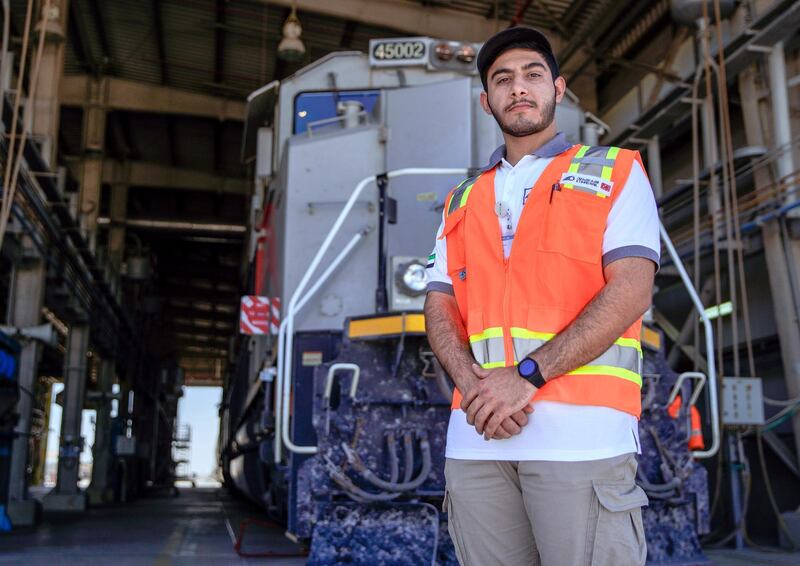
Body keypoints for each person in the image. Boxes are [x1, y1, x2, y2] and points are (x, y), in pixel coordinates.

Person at [424, 26, 659, 566]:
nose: (518, 87)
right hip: (477, 439)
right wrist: (475, 389)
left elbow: (630, 290)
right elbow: (440, 305)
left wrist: (524, 379)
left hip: (582, 440)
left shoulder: (616, 170)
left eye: (532, 74)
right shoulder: (462, 198)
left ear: (558, 87)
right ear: (487, 101)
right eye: (502, 79)